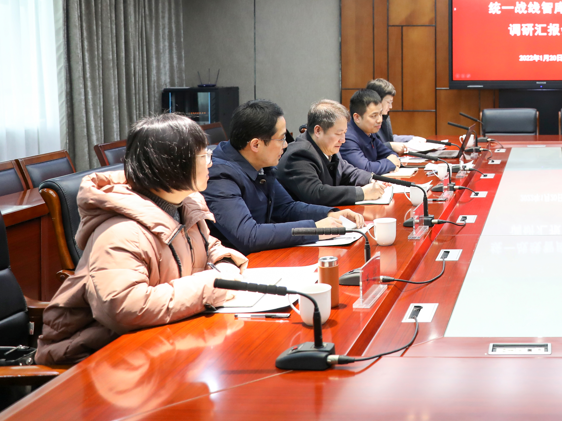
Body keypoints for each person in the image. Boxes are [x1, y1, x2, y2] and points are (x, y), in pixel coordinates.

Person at [36, 114, 248, 366]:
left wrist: (224, 261)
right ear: (172, 164)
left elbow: (202, 244)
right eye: (204, 156)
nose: (211, 163)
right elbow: (124, 308)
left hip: (155, 344)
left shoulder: (183, 205)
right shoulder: (121, 231)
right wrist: (213, 285)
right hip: (95, 359)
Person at [202, 100, 364, 255]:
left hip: (264, 256)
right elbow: (249, 235)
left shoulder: (261, 163)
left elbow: (286, 208)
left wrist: (329, 214)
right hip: (237, 265)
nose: (285, 145)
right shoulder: (218, 175)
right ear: (256, 144)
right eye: (281, 139)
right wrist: (314, 229)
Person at [278, 100, 386, 207]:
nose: (343, 140)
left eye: (344, 133)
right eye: (339, 133)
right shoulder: (299, 154)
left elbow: (347, 172)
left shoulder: (328, 146)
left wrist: (372, 180)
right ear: (318, 131)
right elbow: (316, 193)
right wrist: (362, 193)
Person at [340, 88, 403, 174]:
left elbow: (389, 154)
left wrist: (392, 161)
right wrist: (389, 163)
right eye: (374, 116)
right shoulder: (347, 138)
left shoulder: (369, 132)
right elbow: (365, 169)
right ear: (357, 117)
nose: (380, 120)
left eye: (380, 114)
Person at [366, 78, 422, 155]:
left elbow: (387, 138)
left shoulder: (384, 117)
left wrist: (411, 138)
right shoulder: (365, 120)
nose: (391, 107)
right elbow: (368, 148)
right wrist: (390, 146)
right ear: (376, 100)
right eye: (388, 102)